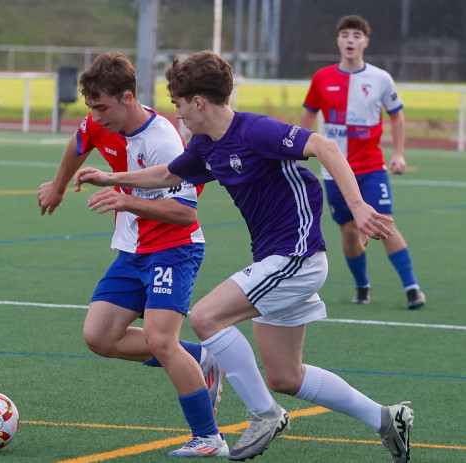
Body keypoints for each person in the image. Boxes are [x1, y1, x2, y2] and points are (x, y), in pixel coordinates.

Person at [75, 50, 414, 462]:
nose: (177, 115)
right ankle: (386, 418)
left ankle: (264, 415)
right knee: (286, 376)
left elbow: (324, 145)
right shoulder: (205, 145)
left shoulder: (254, 131)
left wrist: (357, 206)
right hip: (278, 260)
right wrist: (112, 177)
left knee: (204, 316)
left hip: (295, 255)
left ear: (198, 101)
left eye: (179, 105)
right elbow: (167, 175)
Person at [38, 51, 229, 457]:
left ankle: (209, 438)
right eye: (91, 107)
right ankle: (200, 359)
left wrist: (126, 201)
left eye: (103, 107)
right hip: (131, 250)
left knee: (161, 340)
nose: (96, 116)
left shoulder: (163, 140)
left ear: (127, 98)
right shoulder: (98, 120)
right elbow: (78, 144)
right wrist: (58, 185)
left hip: (174, 250)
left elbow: (183, 213)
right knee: (99, 337)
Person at [299, 15, 425, 310]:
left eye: (357, 35)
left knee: (385, 223)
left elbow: (396, 114)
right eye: (345, 35)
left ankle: (412, 288)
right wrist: (300, 150)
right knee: (348, 230)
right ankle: (362, 286)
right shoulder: (322, 78)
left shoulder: (381, 79)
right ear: (338, 41)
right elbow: (307, 114)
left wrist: (398, 153)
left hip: (370, 168)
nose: (350, 40)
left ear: (366, 41)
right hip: (334, 171)